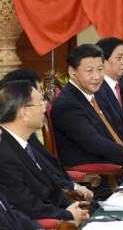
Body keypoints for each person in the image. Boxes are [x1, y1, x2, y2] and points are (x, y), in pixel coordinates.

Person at [50, 44, 123, 167]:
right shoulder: (67, 104)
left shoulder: (92, 95)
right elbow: (93, 142)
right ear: (72, 71)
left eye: (100, 69)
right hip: (98, 174)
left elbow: (110, 134)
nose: (97, 77)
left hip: (115, 163)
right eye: (89, 71)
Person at [0, 80, 88, 223]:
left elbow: (51, 188)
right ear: (24, 113)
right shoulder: (4, 152)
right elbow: (24, 204)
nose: (44, 108)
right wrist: (68, 215)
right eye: (40, 102)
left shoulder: (26, 142)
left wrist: (72, 206)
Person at [95, 37, 123, 140]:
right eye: (119, 58)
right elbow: (108, 131)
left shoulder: (115, 85)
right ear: (103, 60)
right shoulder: (97, 90)